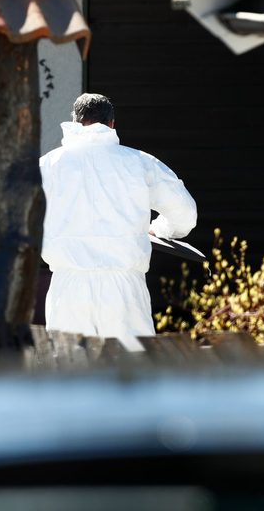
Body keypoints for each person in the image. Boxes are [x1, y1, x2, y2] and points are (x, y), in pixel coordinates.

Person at [39, 94, 197, 351]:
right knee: (131, 378)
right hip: (124, 288)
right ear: (112, 124)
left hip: (68, 287)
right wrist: (158, 229)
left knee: (70, 380)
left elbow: (19, 220)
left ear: (75, 122)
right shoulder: (140, 162)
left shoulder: (47, 166)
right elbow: (185, 214)